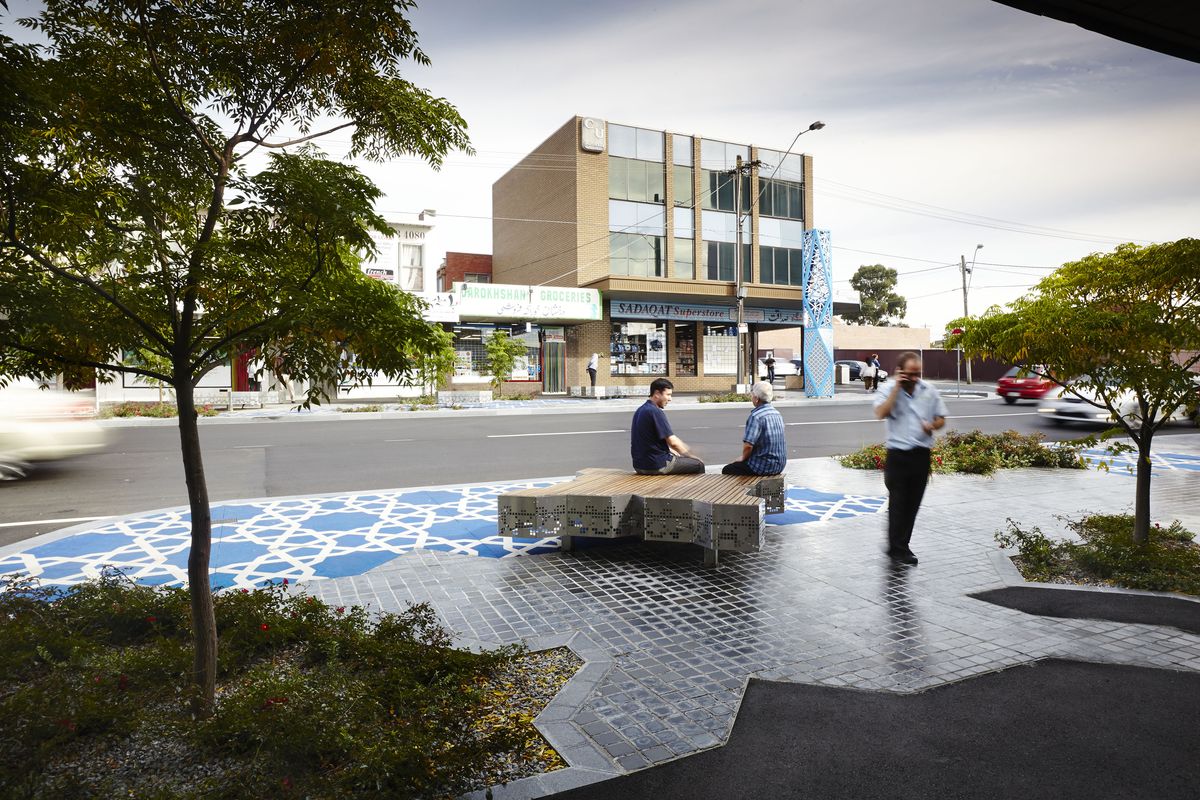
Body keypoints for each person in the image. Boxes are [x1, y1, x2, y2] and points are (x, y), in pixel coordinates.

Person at [872, 351, 947, 565]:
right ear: (900, 371)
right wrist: (896, 387)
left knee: (912, 504)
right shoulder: (887, 389)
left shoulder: (929, 390)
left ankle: (900, 545)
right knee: (898, 502)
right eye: (910, 374)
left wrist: (932, 425)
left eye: (917, 373)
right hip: (897, 455)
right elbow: (881, 413)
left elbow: (941, 418)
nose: (914, 378)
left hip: (921, 455)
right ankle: (898, 548)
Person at [631, 378, 704, 475]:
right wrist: (690, 455)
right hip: (657, 465)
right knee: (698, 464)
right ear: (657, 393)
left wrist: (670, 450)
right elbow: (673, 442)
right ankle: (696, 490)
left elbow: (648, 440)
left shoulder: (641, 410)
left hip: (639, 465)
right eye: (668, 395)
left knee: (679, 459)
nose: (670, 399)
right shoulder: (655, 412)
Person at [722, 381, 787, 475]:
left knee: (727, 469)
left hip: (763, 467)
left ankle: (743, 489)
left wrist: (742, 458)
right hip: (779, 465)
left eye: (752, 395)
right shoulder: (776, 413)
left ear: (756, 399)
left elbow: (748, 445)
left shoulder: (756, 416)